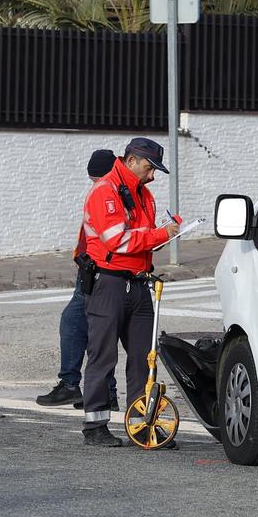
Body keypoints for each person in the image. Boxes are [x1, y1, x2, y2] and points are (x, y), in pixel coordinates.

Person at [78, 136, 180, 447]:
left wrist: (164, 234)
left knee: (143, 357)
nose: (153, 175)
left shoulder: (144, 194)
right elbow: (117, 241)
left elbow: (142, 240)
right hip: (108, 282)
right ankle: (95, 426)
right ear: (131, 160)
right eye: (150, 168)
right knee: (103, 355)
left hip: (137, 282)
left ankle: (142, 425)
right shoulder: (105, 191)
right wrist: (159, 234)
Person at [36, 148, 118, 409]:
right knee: (94, 330)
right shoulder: (111, 190)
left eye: (96, 178)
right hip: (93, 270)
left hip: (97, 272)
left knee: (77, 324)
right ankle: (103, 392)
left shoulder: (108, 193)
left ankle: (74, 386)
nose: (94, 184)